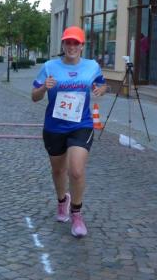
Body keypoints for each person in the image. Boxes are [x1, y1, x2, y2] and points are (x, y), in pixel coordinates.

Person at [31, 25, 107, 238]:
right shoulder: (49, 66)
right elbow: (34, 96)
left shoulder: (92, 66)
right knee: (58, 171)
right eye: (68, 42)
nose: (72, 46)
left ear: (82, 46)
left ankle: (77, 214)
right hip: (54, 127)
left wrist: (101, 89)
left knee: (76, 171)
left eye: (76, 43)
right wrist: (44, 88)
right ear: (63, 45)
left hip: (81, 125)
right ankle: (62, 201)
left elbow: (102, 85)